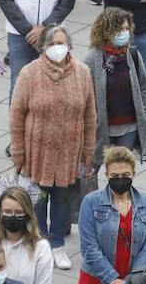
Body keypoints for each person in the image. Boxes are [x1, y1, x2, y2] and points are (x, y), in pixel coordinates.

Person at [9, 24, 96, 270]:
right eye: (52, 43)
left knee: (62, 200)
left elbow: (90, 114)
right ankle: (40, 243)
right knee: (37, 200)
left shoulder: (82, 72)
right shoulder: (29, 73)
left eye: (61, 43)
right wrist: (18, 151)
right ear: (43, 47)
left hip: (69, 151)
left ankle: (57, 245)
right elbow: (16, 115)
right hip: (37, 152)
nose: (57, 48)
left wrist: (87, 150)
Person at [77, 146, 146, 284]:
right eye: (114, 176)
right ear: (106, 174)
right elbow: (89, 247)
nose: (120, 179)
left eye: (125, 174)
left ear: (133, 173)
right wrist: (113, 280)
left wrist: (129, 283)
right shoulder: (91, 202)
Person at [83, 7, 146, 166]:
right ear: (107, 31)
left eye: (127, 29)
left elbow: (143, 88)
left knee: (120, 173)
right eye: (120, 29)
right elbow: (83, 93)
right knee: (90, 173)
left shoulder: (132, 55)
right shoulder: (93, 58)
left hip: (129, 128)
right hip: (102, 130)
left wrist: (145, 116)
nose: (125, 33)